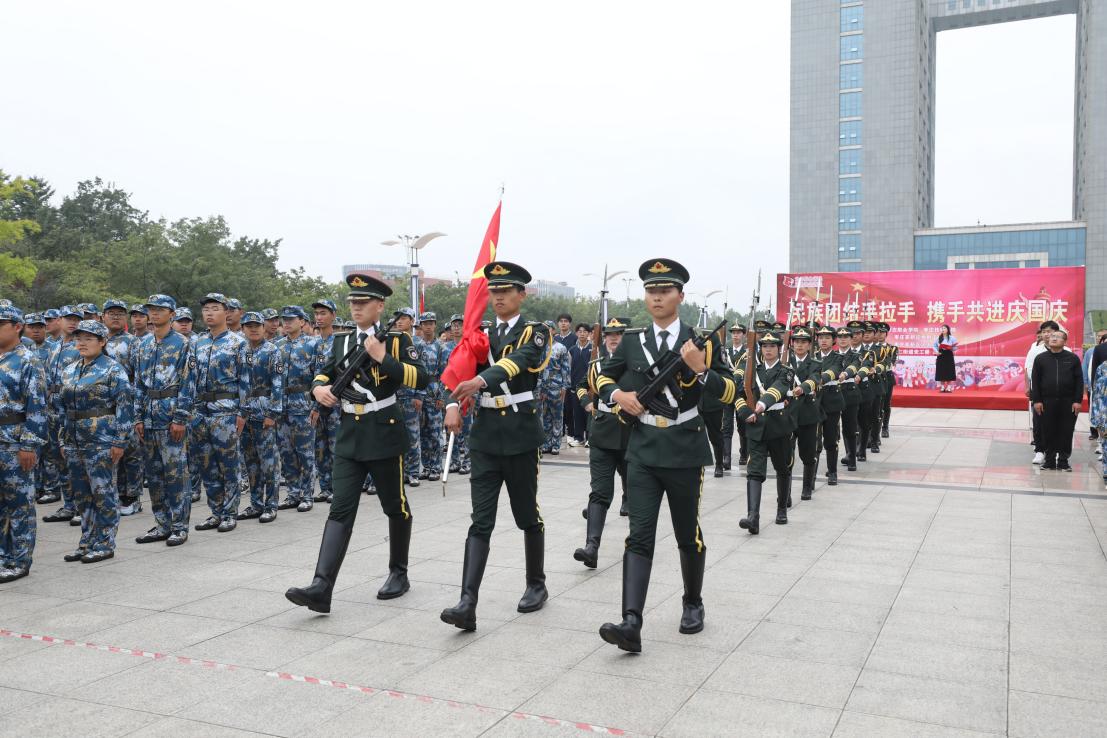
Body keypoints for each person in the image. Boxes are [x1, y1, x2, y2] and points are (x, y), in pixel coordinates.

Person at [595, 259, 736, 653]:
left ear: (680, 296)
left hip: (685, 448)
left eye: (665, 290)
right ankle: (631, 622)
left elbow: (730, 391)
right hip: (642, 448)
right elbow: (602, 376)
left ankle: (692, 602)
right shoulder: (632, 341)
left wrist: (702, 370)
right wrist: (618, 395)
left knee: (686, 533)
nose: (657, 297)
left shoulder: (700, 341)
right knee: (639, 534)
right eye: (651, 291)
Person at [286, 273, 428, 612]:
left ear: (379, 306)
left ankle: (399, 572)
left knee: (395, 505)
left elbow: (421, 378)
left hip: (384, 431)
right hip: (350, 433)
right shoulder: (343, 341)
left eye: (363, 302)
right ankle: (321, 586)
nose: (357, 307)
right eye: (353, 302)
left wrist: (383, 357)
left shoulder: (396, 340)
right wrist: (318, 389)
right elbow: (326, 372)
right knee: (340, 508)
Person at [440, 262, 553, 632]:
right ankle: (467, 602)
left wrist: (480, 381)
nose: (499, 297)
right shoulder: (480, 333)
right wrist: (453, 403)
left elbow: (519, 362)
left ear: (522, 294)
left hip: (520, 435)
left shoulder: (536, 332)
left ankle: (536, 584)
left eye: (506, 291)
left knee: (527, 515)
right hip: (486, 435)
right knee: (481, 520)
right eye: (493, 291)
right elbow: (458, 369)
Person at [60, 320, 133, 564]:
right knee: (82, 494)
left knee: (103, 493)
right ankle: (87, 541)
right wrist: (62, 439)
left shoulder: (112, 369)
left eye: (88, 339)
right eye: (79, 338)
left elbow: (124, 407)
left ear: (102, 342)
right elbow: (62, 407)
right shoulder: (70, 369)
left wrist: (120, 441)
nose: (82, 343)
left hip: (101, 440)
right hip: (74, 440)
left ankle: (105, 543)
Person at [133, 295, 196, 547]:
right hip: (148, 417)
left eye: (161, 309)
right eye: (152, 309)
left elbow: (188, 383)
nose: (155, 313)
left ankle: (179, 526)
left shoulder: (183, 344)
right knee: (155, 476)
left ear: (172, 314)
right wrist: (137, 416)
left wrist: (180, 417)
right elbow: (138, 383)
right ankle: (162, 523)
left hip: (170, 415)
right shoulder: (143, 344)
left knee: (176, 474)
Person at [573, 317, 631, 568]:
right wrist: (587, 403)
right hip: (602, 432)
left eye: (618, 334)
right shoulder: (595, 364)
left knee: (635, 491)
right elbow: (581, 386)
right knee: (599, 491)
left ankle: (636, 545)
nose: (613, 338)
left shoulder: (635, 364)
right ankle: (591, 547)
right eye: (609, 334)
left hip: (630, 434)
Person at [191, 294, 249, 532]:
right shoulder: (198, 342)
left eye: (214, 308)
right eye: (206, 309)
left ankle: (230, 512)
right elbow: (191, 379)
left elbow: (245, 379)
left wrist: (242, 412)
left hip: (226, 411)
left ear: (226, 312)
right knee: (207, 465)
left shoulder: (238, 343)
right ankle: (215, 512)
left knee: (229, 465)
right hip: (201, 412)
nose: (209, 313)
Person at [0, 305, 48, 583]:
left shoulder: (28, 360)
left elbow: (37, 406)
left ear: (17, 327)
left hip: (14, 441)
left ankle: (19, 560)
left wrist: (29, 445)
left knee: (19, 504)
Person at [738, 331, 797, 532]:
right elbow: (739, 394)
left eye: (772, 346)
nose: (768, 349)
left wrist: (760, 405)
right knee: (754, 472)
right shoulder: (752, 370)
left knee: (782, 468)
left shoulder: (786, 371)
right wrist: (745, 412)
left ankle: (781, 509)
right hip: (756, 428)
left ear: (779, 349)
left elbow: (778, 389)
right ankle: (752, 517)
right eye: (764, 346)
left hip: (778, 426)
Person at [237, 312, 283, 523]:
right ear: (243, 329)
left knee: (269, 462)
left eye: (257, 325)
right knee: (251, 462)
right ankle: (255, 504)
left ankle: (271, 505)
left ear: (264, 328)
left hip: (264, 411)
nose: (253, 329)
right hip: (243, 414)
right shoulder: (240, 350)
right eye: (249, 326)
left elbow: (278, 384)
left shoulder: (272, 350)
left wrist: (273, 413)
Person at [103, 299, 144, 516]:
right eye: (111, 313)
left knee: (131, 452)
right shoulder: (97, 339)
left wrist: (136, 407)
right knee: (109, 452)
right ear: (103, 317)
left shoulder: (133, 342)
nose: (116, 316)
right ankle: (114, 495)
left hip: (127, 402)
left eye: (120, 313)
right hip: (102, 405)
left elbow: (140, 376)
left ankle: (132, 496)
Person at [41, 306, 83, 523]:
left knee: (75, 460)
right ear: (59, 320)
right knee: (58, 458)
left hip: (71, 409)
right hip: (52, 409)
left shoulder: (81, 346)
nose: (73, 323)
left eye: (77, 319)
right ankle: (68, 504)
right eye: (69, 319)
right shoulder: (54, 347)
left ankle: (81, 506)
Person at [276, 305, 319, 511]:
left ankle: (307, 494)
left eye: (291, 319)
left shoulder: (313, 344)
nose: (287, 323)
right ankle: (293, 493)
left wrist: (316, 406)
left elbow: (319, 377)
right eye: (284, 319)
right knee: (286, 452)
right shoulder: (277, 346)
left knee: (305, 452)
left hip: (303, 404)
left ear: (302, 322)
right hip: (281, 406)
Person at [1031, 326, 1083, 471]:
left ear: (1065, 342)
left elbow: (1079, 381)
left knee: (1066, 431)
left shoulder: (1072, 358)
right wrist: (1037, 400)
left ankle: (1063, 461)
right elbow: (1035, 381)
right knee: (1047, 430)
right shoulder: (1040, 358)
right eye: (1052, 336)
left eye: (1058, 337)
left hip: (1068, 401)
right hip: (1046, 401)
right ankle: (1049, 461)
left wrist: (1077, 401)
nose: (1053, 338)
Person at [814, 325, 855, 486]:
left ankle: (832, 472)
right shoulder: (812, 356)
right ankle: (811, 475)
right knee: (814, 441)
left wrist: (816, 380)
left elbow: (835, 371)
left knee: (830, 439)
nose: (823, 341)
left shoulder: (838, 357)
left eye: (827, 338)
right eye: (821, 337)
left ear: (833, 340)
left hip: (831, 401)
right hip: (814, 402)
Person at [788, 327, 824, 501]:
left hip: (807, 414)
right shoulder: (785, 362)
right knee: (786, 455)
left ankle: (807, 487)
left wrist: (802, 388)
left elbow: (814, 379)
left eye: (803, 342)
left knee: (808, 454)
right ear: (792, 344)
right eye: (797, 342)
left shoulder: (815, 364)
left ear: (809, 345)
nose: (800, 345)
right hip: (788, 414)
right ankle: (785, 493)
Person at [311, 299, 340, 502]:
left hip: (336, 402)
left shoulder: (339, 342)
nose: (319, 317)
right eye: (317, 314)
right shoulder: (312, 344)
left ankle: (339, 488)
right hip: (316, 403)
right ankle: (325, 487)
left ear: (333, 316)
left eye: (323, 313)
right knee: (319, 447)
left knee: (336, 447)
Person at [393, 307, 424, 487]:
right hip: (394, 397)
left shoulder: (416, 343)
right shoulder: (391, 341)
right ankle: (401, 472)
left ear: (412, 321)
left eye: (404, 318)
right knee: (396, 437)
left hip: (410, 396)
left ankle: (413, 473)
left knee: (412, 436)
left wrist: (419, 394)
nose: (399, 321)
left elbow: (423, 372)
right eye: (397, 318)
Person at [416, 312, 449, 481]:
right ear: (421, 326)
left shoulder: (441, 347)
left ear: (435, 325)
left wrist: (441, 396)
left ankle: (436, 467)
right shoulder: (417, 346)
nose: (428, 326)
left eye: (431, 323)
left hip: (435, 389)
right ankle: (426, 466)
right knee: (422, 432)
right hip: (420, 390)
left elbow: (445, 373)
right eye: (425, 323)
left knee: (435, 432)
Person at [537, 320, 570, 455]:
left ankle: (556, 444)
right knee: (544, 417)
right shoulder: (538, 347)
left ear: (554, 330)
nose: (546, 331)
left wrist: (565, 387)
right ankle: (546, 443)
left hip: (556, 386)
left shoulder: (561, 348)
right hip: (541, 387)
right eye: (543, 328)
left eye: (549, 328)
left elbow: (565, 368)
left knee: (557, 416)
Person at [721, 323, 748, 469]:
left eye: (738, 332)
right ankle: (726, 457)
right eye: (733, 332)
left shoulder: (747, 352)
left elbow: (744, 372)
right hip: (727, 392)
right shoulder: (725, 351)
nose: (736, 335)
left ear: (743, 335)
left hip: (741, 393)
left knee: (742, 425)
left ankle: (744, 453)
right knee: (726, 426)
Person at [565, 323, 593, 447]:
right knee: (577, 413)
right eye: (580, 331)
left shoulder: (593, 349)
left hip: (589, 388)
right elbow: (568, 369)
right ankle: (578, 437)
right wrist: (569, 384)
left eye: (585, 331)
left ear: (589, 334)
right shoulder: (572, 350)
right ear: (576, 333)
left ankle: (590, 438)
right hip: (574, 387)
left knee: (589, 412)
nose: (582, 334)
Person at [935, 325, 957, 392]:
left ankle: (948, 387)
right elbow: (934, 346)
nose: (943, 329)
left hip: (949, 355)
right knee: (941, 370)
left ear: (948, 329)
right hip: (941, 355)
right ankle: (942, 387)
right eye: (942, 328)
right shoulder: (938, 338)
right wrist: (937, 352)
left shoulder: (952, 338)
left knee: (949, 370)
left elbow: (955, 348)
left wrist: (951, 348)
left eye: (944, 328)